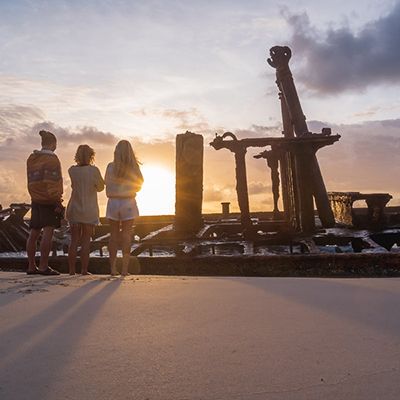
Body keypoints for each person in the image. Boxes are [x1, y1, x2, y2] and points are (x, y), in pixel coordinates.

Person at [26, 130, 63, 275]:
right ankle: (43, 266)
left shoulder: (32, 158)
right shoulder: (52, 159)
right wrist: (58, 201)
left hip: (35, 198)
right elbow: (53, 181)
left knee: (34, 232)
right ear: (53, 144)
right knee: (48, 231)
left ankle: (31, 266)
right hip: (49, 200)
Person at [105, 140, 143, 276]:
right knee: (127, 235)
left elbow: (106, 184)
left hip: (113, 202)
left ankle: (112, 269)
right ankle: (125, 270)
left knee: (113, 235)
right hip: (128, 202)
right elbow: (140, 184)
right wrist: (130, 188)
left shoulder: (110, 166)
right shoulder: (134, 167)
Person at [66, 144, 104, 275]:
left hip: (74, 208)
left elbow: (73, 185)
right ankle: (83, 270)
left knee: (74, 240)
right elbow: (100, 188)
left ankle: (71, 270)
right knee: (86, 241)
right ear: (91, 156)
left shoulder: (71, 170)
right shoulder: (94, 171)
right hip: (89, 209)